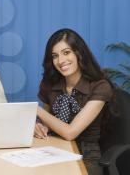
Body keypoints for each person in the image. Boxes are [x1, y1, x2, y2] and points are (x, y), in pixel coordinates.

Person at [34, 28, 114, 175]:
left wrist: (34, 109)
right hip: (52, 147)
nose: (61, 61)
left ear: (79, 53)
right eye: (55, 56)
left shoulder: (100, 86)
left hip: (86, 154)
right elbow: (45, 120)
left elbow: (70, 133)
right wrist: (38, 125)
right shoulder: (50, 83)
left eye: (66, 52)